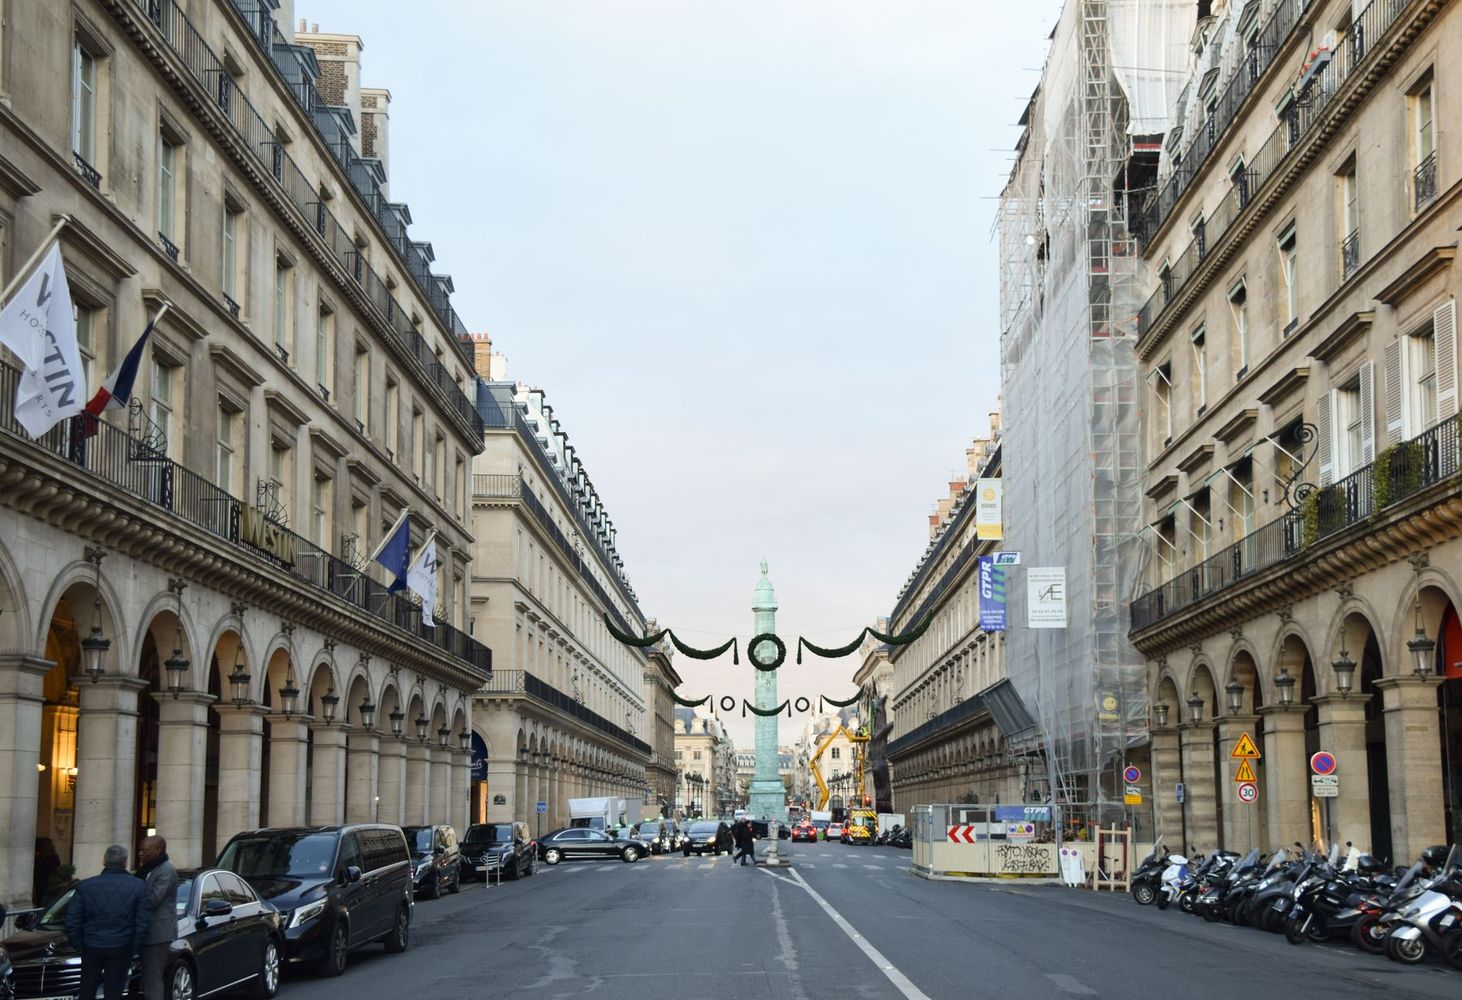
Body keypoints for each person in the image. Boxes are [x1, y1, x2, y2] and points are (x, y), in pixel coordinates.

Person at [64, 844, 150, 1000]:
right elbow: (143, 921)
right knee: (113, 992)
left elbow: (72, 919)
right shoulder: (138, 886)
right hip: (122, 945)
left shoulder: (85, 886)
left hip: (91, 944)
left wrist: (79, 944)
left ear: (104, 861)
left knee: (87, 990)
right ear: (125, 862)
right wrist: (134, 946)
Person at [136, 835, 179, 1000]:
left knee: (153, 979)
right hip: (144, 931)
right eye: (140, 850)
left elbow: (153, 899)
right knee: (145, 979)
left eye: (145, 850)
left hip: (158, 934)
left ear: (158, 850)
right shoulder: (147, 869)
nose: (140, 854)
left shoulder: (166, 870)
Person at [33, 837, 60, 906]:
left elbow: (57, 869)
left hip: (48, 882)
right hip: (41, 881)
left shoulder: (53, 857)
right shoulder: (38, 858)